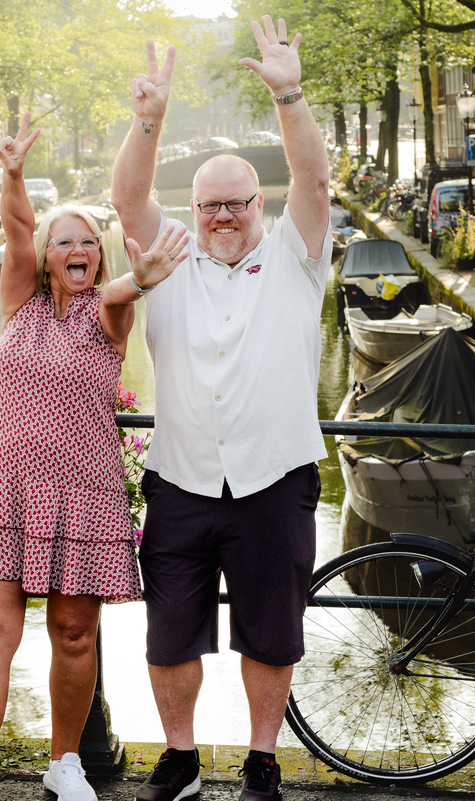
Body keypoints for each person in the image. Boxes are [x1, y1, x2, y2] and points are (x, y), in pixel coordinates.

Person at [110, 16, 332, 801]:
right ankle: (180, 756)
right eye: (210, 206)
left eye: (236, 203)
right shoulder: (166, 259)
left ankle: (263, 757)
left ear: (259, 203)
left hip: (275, 477)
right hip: (181, 478)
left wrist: (289, 95)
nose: (223, 217)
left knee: (271, 632)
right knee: (169, 632)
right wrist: (149, 117)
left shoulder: (296, 261)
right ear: (194, 210)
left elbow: (315, 182)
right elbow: (128, 195)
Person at [0, 113, 190, 801]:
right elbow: (18, 228)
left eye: (88, 241)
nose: (76, 249)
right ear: (47, 256)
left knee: (75, 633)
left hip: (81, 489)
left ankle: (66, 761)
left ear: (99, 255)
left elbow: (116, 294)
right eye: (64, 241)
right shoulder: (19, 299)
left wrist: (139, 279)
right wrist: (13, 173)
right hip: (3, 487)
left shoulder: (108, 314)